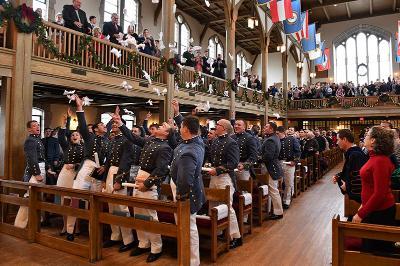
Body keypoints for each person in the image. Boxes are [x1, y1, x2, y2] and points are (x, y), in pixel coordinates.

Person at [114, 112, 172, 263]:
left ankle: (156, 247)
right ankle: (143, 243)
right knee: (138, 213)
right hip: (139, 175)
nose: (160, 125)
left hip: (149, 181)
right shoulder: (150, 140)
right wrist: (120, 123)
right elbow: (133, 137)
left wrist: (147, 184)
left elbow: (161, 170)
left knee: (150, 215)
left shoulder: (165, 147)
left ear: (166, 133)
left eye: (164, 126)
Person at [65, 95, 109, 241]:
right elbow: (83, 125)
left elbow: (110, 157)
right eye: (102, 125)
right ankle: (70, 231)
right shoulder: (90, 137)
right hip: (88, 166)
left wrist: (104, 166)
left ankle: (94, 233)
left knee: (95, 202)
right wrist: (79, 108)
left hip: (99, 169)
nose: (105, 126)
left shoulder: (108, 141)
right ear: (96, 129)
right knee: (76, 198)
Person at [169, 101, 206, 266]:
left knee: (189, 227)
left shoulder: (189, 150)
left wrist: (180, 196)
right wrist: (178, 114)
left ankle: (192, 261)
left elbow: (185, 180)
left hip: (185, 193)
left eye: (180, 126)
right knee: (186, 226)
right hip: (184, 189)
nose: (178, 128)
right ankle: (186, 257)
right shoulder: (195, 141)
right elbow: (192, 128)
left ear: (185, 129)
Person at [353, 126, 396, 252]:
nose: (364, 137)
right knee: (370, 249)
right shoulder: (375, 157)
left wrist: (361, 214)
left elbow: (380, 193)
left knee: (378, 252)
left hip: (380, 212)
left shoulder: (380, 161)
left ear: (373, 140)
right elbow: (370, 187)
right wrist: (364, 205)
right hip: (373, 209)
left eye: (367, 135)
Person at [206, 119, 242, 249]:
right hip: (214, 176)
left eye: (218, 125)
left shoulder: (231, 143)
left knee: (227, 206)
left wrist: (218, 169)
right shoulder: (215, 141)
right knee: (212, 203)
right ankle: (218, 231)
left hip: (225, 177)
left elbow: (232, 164)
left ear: (224, 128)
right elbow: (213, 158)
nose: (215, 127)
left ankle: (236, 236)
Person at [102, 111, 135, 252]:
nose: (113, 125)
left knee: (121, 207)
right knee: (111, 207)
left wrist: (119, 180)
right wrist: (104, 180)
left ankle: (128, 239)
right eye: (113, 123)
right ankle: (115, 235)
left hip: (120, 174)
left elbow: (126, 162)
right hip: (110, 173)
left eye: (116, 123)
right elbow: (108, 161)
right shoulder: (113, 140)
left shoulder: (126, 140)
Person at [57, 108, 84, 235]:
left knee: (75, 202)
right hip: (65, 174)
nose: (74, 136)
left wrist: (75, 164)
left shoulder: (84, 148)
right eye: (72, 135)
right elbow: (61, 136)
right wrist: (65, 122)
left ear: (80, 137)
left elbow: (85, 162)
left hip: (76, 174)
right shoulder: (66, 145)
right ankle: (64, 226)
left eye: (76, 135)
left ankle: (76, 227)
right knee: (65, 201)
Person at [14, 120, 46, 228]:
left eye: (38, 125)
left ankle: (35, 224)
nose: (37, 127)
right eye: (34, 126)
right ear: (29, 129)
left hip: (41, 168)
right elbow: (31, 158)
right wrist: (37, 173)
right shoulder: (31, 140)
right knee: (29, 197)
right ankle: (19, 226)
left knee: (37, 198)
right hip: (34, 171)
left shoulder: (38, 140)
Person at [332, 129, 369, 205]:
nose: (337, 142)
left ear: (345, 139)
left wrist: (347, 185)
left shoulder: (355, 155)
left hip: (359, 201)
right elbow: (350, 172)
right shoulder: (353, 153)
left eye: (338, 140)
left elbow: (358, 178)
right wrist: (339, 176)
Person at [260, 122, 284, 220]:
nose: (264, 128)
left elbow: (268, 156)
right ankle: (274, 210)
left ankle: (278, 212)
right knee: (273, 190)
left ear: (271, 129)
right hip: (273, 165)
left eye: (266, 127)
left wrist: (259, 159)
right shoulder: (274, 138)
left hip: (271, 167)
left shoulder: (270, 140)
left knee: (273, 191)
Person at [277, 126, 301, 209]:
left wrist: (295, 161)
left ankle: (286, 201)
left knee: (288, 183)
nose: (276, 135)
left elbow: (298, 152)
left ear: (283, 132)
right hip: (278, 163)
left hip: (289, 163)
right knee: (278, 183)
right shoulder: (275, 140)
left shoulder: (292, 139)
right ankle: (278, 201)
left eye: (278, 133)